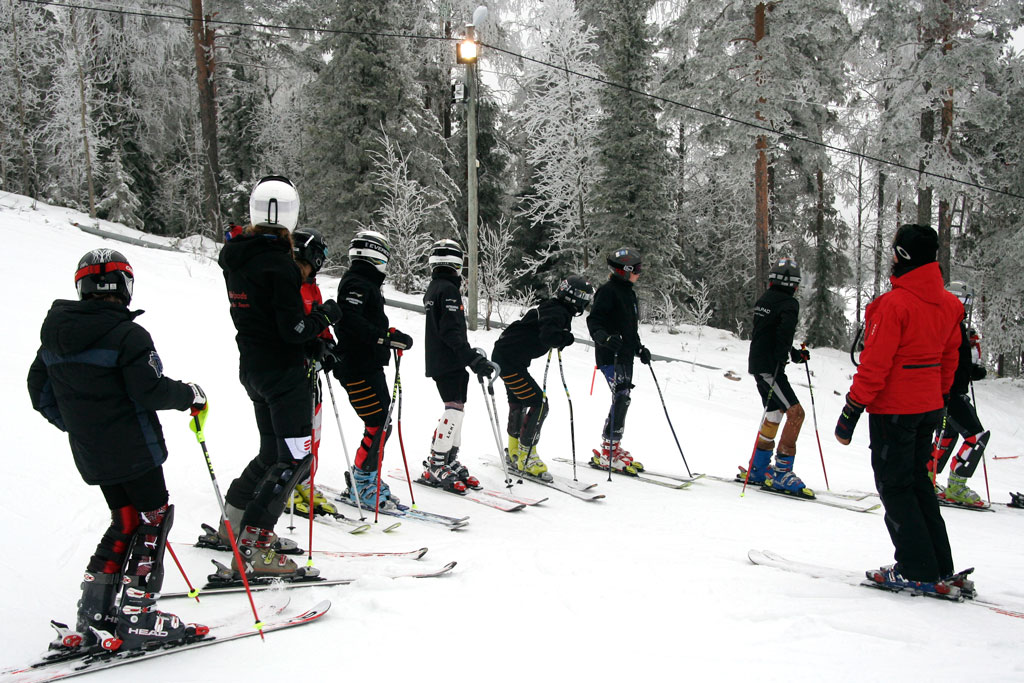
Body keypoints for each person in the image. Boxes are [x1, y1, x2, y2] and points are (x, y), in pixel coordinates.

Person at [27, 249, 208, 652]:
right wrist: (190, 395)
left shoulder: (55, 331)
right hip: (135, 448)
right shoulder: (128, 334)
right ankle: (139, 616)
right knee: (153, 519)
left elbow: (39, 392)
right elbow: (149, 389)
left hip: (94, 452)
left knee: (125, 519)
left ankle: (94, 613)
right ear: (125, 287)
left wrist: (78, 425)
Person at [215, 176, 342, 580]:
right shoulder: (281, 265)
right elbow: (293, 330)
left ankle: (234, 523)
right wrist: (324, 318)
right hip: (283, 376)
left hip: (253, 368)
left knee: (272, 453)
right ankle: (254, 543)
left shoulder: (238, 257)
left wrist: (308, 341)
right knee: (295, 457)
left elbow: (269, 322)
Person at [835, 224, 966, 596]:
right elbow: (948, 359)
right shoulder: (948, 304)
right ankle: (937, 562)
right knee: (918, 483)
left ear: (902, 256)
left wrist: (851, 410)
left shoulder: (894, 305)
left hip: (895, 409)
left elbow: (875, 365)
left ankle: (916, 567)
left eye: (894, 250)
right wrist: (938, 400)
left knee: (895, 486)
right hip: (926, 407)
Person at [333, 230, 413, 508]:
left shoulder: (365, 282)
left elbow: (368, 323)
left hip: (369, 364)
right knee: (378, 424)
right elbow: (349, 322)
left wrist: (391, 334)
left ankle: (366, 477)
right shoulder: (357, 282)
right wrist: (383, 338)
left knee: (382, 423)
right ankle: (363, 483)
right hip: (356, 367)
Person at [492, 275, 593, 481]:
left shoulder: (553, 307)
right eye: (585, 298)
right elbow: (549, 336)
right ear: (575, 298)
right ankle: (527, 455)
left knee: (519, 401)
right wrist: (566, 338)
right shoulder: (557, 311)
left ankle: (514, 451)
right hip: (510, 362)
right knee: (539, 404)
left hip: (508, 359)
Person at [420, 239, 493, 493]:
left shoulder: (435, 288)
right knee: (454, 409)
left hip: (445, 359)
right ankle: (437, 461)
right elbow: (451, 331)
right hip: (448, 359)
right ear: (457, 264)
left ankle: (448, 457)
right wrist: (471, 358)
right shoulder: (447, 290)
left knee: (457, 408)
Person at [744, 256, 812, 496]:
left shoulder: (766, 299)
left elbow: (769, 333)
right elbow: (783, 334)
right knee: (796, 413)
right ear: (794, 284)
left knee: (774, 413)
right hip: (771, 367)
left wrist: (791, 353)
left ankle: (758, 469)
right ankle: (782, 472)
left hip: (758, 364)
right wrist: (788, 355)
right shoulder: (789, 304)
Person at [289, 227, 340, 516]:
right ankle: (288, 485)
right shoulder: (289, 284)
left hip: (312, 370)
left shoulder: (312, 285)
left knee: (314, 428)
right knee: (297, 432)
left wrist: (327, 346)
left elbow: (318, 321)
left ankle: (306, 482)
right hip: (292, 368)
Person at [587, 247, 651, 474]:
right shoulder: (607, 291)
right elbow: (594, 321)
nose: (639, 273)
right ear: (623, 271)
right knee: (622, 396)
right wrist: (604, 338)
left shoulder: (629, 292)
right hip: (609, 355)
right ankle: (608, 449)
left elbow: (629, 327)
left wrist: (639, 348)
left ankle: (613, 446)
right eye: (636, 269)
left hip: (625, 355)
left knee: (623, 397)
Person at [930, 280, 989, 506]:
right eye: (962, 300)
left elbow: (958, 361)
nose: (965, 306)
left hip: (953, 390)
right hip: (949, 392)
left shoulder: (957, 324)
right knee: (976, 436)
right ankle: (956, 485)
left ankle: (927, 478)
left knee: (946, 437)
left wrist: (973, 371)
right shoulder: (946, 322)